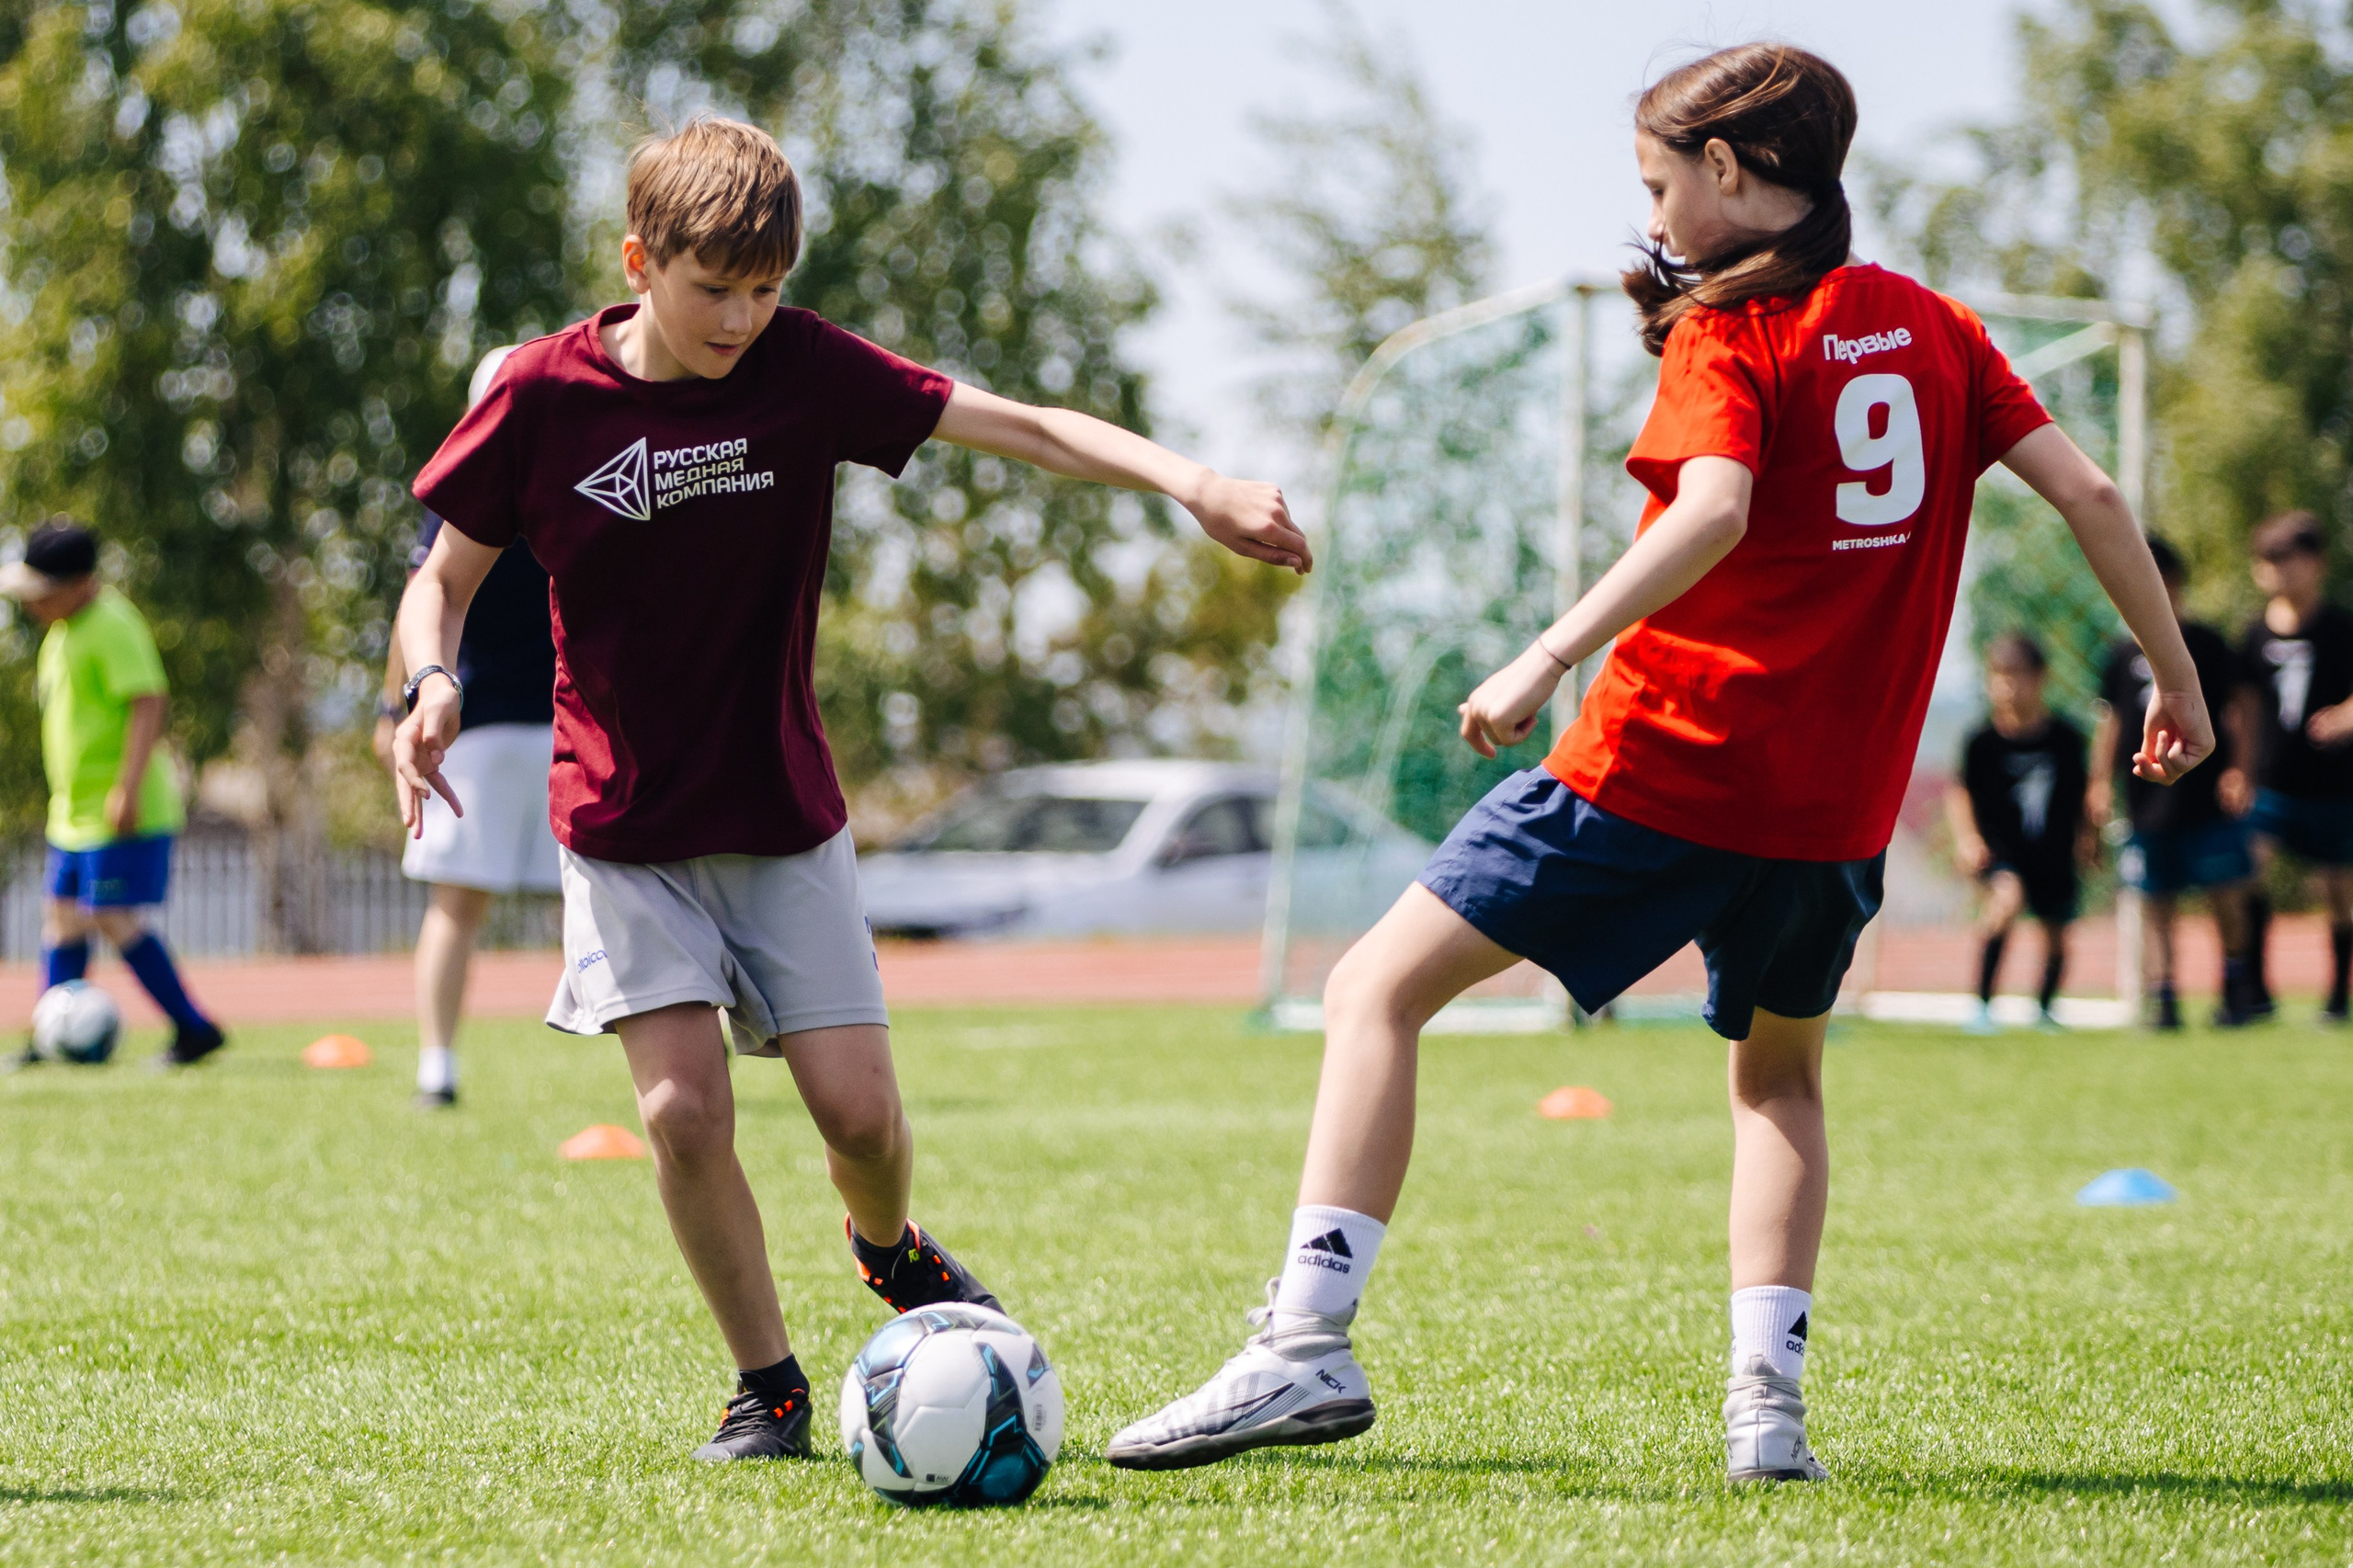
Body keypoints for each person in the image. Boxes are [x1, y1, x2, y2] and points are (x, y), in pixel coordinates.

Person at [1106, 43, 2210, 1483]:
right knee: (1779, 1085)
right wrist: (2177, 677)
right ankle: (1768, 1418)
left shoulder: (1731, 332)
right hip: (1834, 809)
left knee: (1373, 987)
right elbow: (2097, 489)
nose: (1657, 216)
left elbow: (1714, 511)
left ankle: (1304, 1344)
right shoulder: (1934, 326)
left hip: (1662, 763)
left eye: (1659, 183)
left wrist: (1547, 652)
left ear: (1735, 172)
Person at [388, 117, 1310, 1462]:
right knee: (682, 1109)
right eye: (715, 289)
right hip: (624, 821)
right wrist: (429, 682)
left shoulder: (804, 368)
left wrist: (1195, 482)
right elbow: (441, 577)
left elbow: (1029, 427)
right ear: (640, 261)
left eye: (766, 289)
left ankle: (889, 1247)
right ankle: (768, 1382)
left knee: (862, 1122)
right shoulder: (540, 395)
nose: (743, 318)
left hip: (779, 811)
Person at [374, 346, 558, 1108]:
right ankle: (690, 1056)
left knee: (458, 909)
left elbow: (423, 599)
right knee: (626, 901)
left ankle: (437, 1069)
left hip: (477, 728)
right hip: (552, 727)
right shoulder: (580, 478)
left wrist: (394, 708)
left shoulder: (462, 492)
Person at [2, 519, 225, 1066]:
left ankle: (195, 1029)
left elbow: (148, 701)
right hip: (71, 812)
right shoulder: (60, 634)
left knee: (110, 916)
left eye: (44, 593)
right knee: (59, 914)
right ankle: (49, 1035)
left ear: (81, 584)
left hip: (118, 808)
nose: (34, 605)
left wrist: (125, 789)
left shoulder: (112, 623)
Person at [2090, 535, 2252, 1028]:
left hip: (2205, 792)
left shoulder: (2205, 643)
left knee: (2223, 890)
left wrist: (2238, 768)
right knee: (2154, 898)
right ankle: (2164, 998)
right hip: (2147, 791)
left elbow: (2237, 712)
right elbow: (2112, 722)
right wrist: (2098, 783)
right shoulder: (2120, 653)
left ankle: (2236, 989)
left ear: (2176, 583)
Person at [2230, 510, 2353, 1022]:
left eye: (2293, 560)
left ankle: (2337, 996)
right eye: (2271, 561)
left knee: (2337, 891)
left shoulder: (2341, 628)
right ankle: (2255, 990)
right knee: (2245, 871)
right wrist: (2239, 770)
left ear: (2317, 565)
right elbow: (2244, 710)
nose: (2282, 571)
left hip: (2334, 784)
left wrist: (2347, 717)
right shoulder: (2254, 635)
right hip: (2272, 786)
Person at [1947, 633, 2091, 1032]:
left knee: (2057, 934)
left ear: (2041, 678)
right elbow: (1959, 792)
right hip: (2002, 851)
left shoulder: (2067, 738)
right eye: (1998, 676)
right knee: (2005, 902)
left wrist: (2089, 839)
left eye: (2017, 675)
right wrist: (1968, 839)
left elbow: (2084, 795)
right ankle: (1982, 1006)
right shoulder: (1981, 742)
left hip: (2053, 851)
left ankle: (2044, 1009)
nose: (2007, 686)